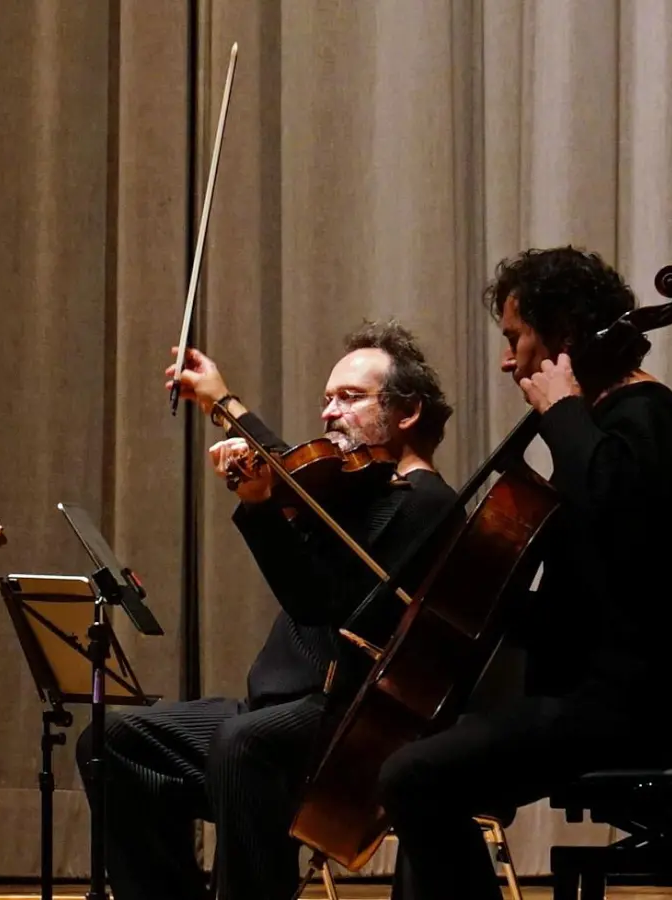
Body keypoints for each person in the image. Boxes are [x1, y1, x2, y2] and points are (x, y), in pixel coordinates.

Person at [378, 247, 672, 900]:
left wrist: (562, 413)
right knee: (417, 768)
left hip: (634, 707)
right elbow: (584, 598)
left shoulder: (647, 419)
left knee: (413, 777)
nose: (508, 360)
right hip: (586, 697)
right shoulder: (598, 431)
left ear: (562, 335)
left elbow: (620, 531)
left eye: (515, 338)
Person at [78, 321, 460, 900]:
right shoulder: (357, 490)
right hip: (275, 710)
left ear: (406, 413)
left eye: (350, 398)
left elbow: (324, 603)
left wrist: (258, 508)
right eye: (328, 398)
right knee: (110, 740)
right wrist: (222, 402)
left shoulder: (425, 506)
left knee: (243, 744)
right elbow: (292, 470)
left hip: (346, 721)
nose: (330, 413)